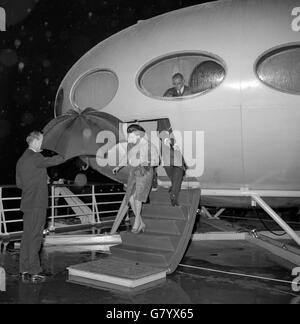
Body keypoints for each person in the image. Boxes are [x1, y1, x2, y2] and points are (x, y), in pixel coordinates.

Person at [16, 131, 65, 283]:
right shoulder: (36, 157)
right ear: (35, 141)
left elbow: (20, 184)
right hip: (37, 204)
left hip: (27, 203)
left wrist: (40, 179)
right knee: (36, 238)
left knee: (27, 238)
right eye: (42, 141)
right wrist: (66, 155)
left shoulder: (21, 159)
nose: (43, 144)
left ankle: (24, 269)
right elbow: (52, 161)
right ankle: (34, 271)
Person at [113, 125, 159, 234]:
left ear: (138, 136)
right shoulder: (130, 145)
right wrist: (118, 166)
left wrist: (147, 162)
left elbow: (156, 161)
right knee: (129, 197)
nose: (128, 139)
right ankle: (141, 222)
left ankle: (137, 221)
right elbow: (126, 157)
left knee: (138, 197)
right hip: (133, 172)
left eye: (131, 136)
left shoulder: (149, 146)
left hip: (145, 172)